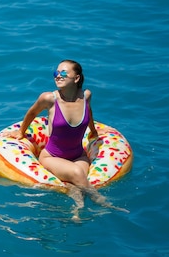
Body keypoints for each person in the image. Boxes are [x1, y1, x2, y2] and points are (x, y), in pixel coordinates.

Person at [8, 59, 112, 213]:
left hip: (79, 155)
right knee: (77, 173)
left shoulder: (86, 96)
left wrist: (94, 132)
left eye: (63, 73)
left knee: (78, 178)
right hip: (52, 156)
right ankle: (103, 203)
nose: (58, 76)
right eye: (56, 73)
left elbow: (88, 113)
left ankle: (78, 209)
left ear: (76, 78)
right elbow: (32, 113)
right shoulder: (49, 99)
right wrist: (21, 132)